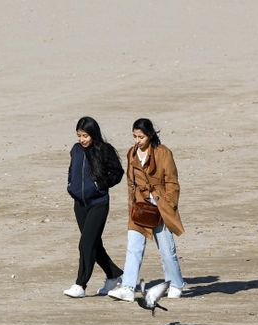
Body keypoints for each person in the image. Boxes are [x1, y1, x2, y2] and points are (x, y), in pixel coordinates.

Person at [108, 118, 185, 302]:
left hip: (160, 207)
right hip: (140, 207)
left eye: (140, 137)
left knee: (167, 250)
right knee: (133, 247)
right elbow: (130, 182)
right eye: (134, 136)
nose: (137, 141)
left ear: (150, 135)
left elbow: (172, 182)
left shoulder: (163, 153)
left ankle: (176, 284)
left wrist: (169, 204)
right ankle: (127, 287)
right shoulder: (131, 153)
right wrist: (132, 205)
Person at [63, 116, 125, 298]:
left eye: (85, 135)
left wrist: (100, 185)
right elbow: (71, 170)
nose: (82, 139)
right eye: (79, 135)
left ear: (93, 134)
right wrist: (70, 185)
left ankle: (80, 285)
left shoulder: (104, 150)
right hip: (79, 204)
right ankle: (114, 275)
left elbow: (117, 173)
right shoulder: (75, 150)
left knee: (85, 244)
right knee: (93, 244)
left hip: (98, 203)